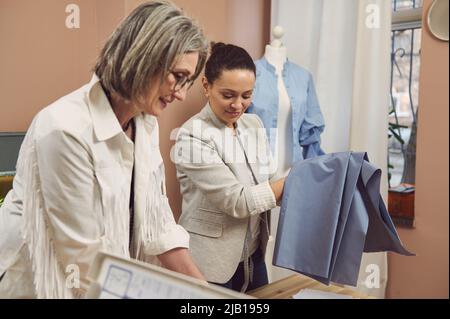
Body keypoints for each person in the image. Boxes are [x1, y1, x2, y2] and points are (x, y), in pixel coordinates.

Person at [0, 1, 208, 299]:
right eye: (178, 76)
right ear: (144, 57)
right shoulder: (64, 128)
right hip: (42, 285)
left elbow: (158, 221)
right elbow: (83, 258)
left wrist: (206, 295)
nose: (182, 94)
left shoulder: (146, 121)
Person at [174, 43, 285, 293]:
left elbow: (271, 180)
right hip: (211, 263)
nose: (238, 104)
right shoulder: (192, 136)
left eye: (247, 95)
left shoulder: (254, 124)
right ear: (206, 86)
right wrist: (292, 182)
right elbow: (238, 201)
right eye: (228, 95)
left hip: (254, 257)